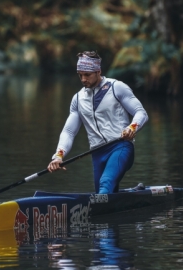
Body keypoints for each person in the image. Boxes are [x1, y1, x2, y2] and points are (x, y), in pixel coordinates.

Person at [47, 51, 148, 194]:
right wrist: (58, 155)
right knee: (105, 192)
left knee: (105, 183)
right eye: (80, 75)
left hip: (121, 146)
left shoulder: (116, 87)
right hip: (97, 153)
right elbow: (69, 132)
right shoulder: (78, 99)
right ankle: (129, 197)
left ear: (98, 71)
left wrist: (132, 127)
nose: (83, 79)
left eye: (87, 75)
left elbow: (141, 112)